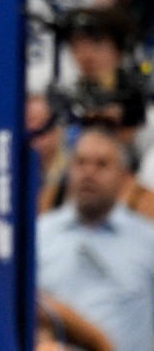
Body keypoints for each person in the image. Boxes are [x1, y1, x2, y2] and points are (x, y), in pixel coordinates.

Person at [37, 126, 154, 351]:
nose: (88, 173)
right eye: (80, 163)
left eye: (102, 164)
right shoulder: (40, 235)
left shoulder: (147, 242)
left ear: (123, 176)